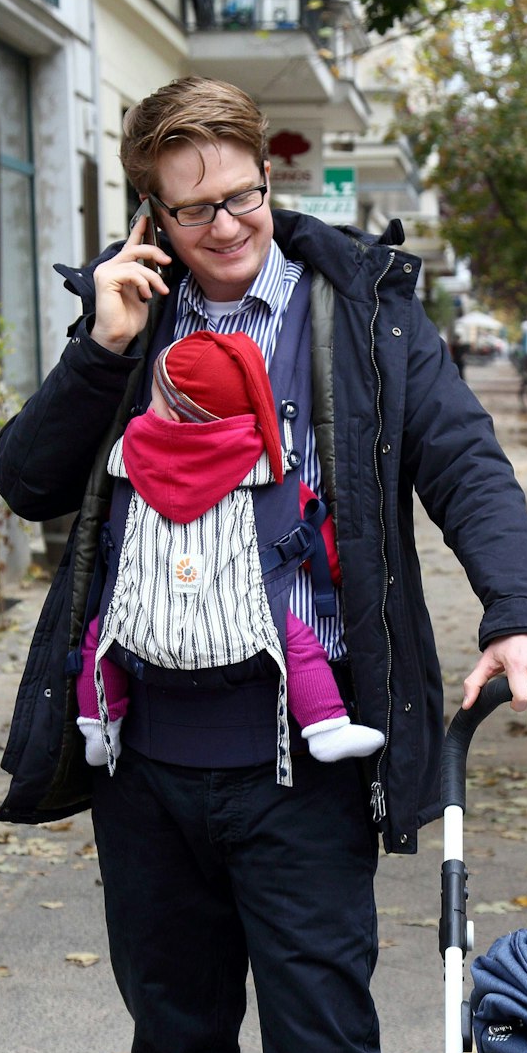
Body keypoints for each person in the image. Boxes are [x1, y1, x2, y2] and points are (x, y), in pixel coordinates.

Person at [0, 76, 527, 1053]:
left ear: (266, 179)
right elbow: (27, 481)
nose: (226, 226)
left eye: (242, 196)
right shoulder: (131, 318)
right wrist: (101, 349)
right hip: (144, 770)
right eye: (193, 209)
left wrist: (520, 612)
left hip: (301, 768)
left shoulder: (361, 309)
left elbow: (464, 463)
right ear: (151, 214)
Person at [74, 327, 384, 775]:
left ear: (177, 410)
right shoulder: (263, 464)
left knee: (99, 640)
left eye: (157, 398)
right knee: (297, 643)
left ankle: (99, 727)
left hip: (145, 614)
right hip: (239, 619)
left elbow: (113, 522)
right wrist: (336, 573)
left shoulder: (130, 455)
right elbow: (315, 538)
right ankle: (326, 727)